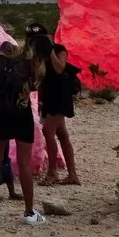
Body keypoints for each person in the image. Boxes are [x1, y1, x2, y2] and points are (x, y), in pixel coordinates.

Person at [0, 40, 43, 225]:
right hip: (20, 113)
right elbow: (35, 86)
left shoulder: (5, 52)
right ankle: (30, 213)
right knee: (24, 163)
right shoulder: (32, 64)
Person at [38, 42, 83, 186]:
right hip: (50, 98)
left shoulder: (59, 50)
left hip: (60, 97)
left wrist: (51, 51)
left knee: (48, 131)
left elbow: (59, 68)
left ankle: (52, 173)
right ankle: (72, 174)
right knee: (62, 135)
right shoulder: (39, 53)